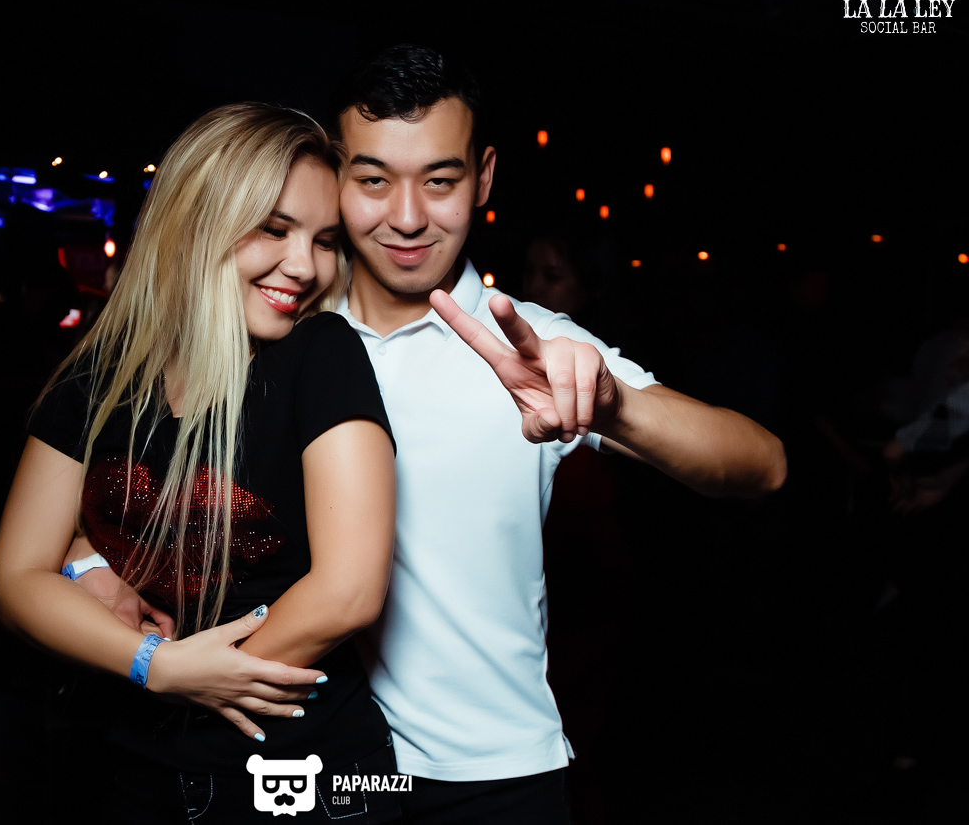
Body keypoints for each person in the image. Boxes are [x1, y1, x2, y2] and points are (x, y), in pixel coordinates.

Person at [331, 45, 786, 823]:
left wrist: (610, 405)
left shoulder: (531, 341)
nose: (406, 217)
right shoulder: (293, 329)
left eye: (439, 180)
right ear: (335, 174)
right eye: (374, 180)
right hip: (323, 766)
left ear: (484, 177)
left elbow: (762, 464)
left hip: (494, 778)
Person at [0, 102, 402, 823]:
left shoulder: (321, 354)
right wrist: (156, 667)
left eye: (324, 240)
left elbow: (351, 590)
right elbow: (16, 578)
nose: (304, 266)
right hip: (130, 768)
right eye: (273, 228)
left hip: (311, 777)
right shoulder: (101, 377)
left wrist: (190, 681)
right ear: (194, 224)